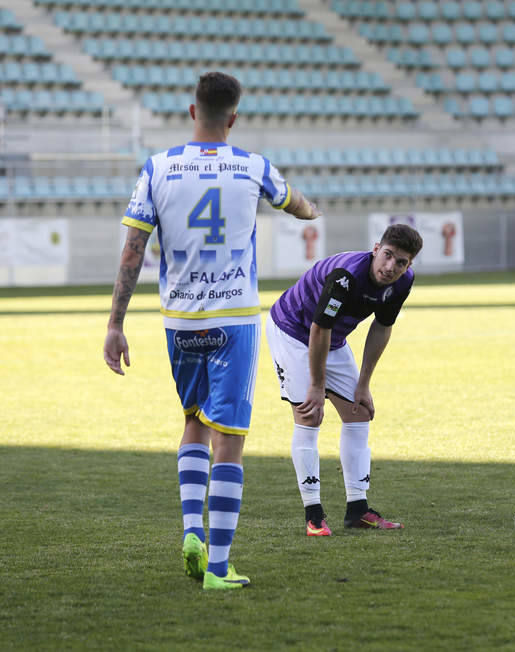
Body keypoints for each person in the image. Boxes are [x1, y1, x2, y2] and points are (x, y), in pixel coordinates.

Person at [103, 72, 321, 589]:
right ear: (234, 118)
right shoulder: (252, 166)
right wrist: (309, 209)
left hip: (180, 322)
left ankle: (190, 531)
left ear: (191, 111)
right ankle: (219, 566)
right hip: (235, 321)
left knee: (193, 422)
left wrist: (115, 323)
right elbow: (296, 203)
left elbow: (133, 250)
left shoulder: (157, 168)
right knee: (230, 440)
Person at [265, 224, 423, 536]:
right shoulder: (345, 276)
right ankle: (314, 514)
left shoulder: (403, 283)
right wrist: (317, 385)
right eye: (388, 255)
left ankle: (358, 510)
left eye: (401, 262)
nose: (391, 267)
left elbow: (382, 327)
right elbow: (318, 329)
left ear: (409, 265)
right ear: (376, 249)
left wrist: (363, 385)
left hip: (332, 337)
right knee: (309, 415)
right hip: (293, 331)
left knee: (359, 411)